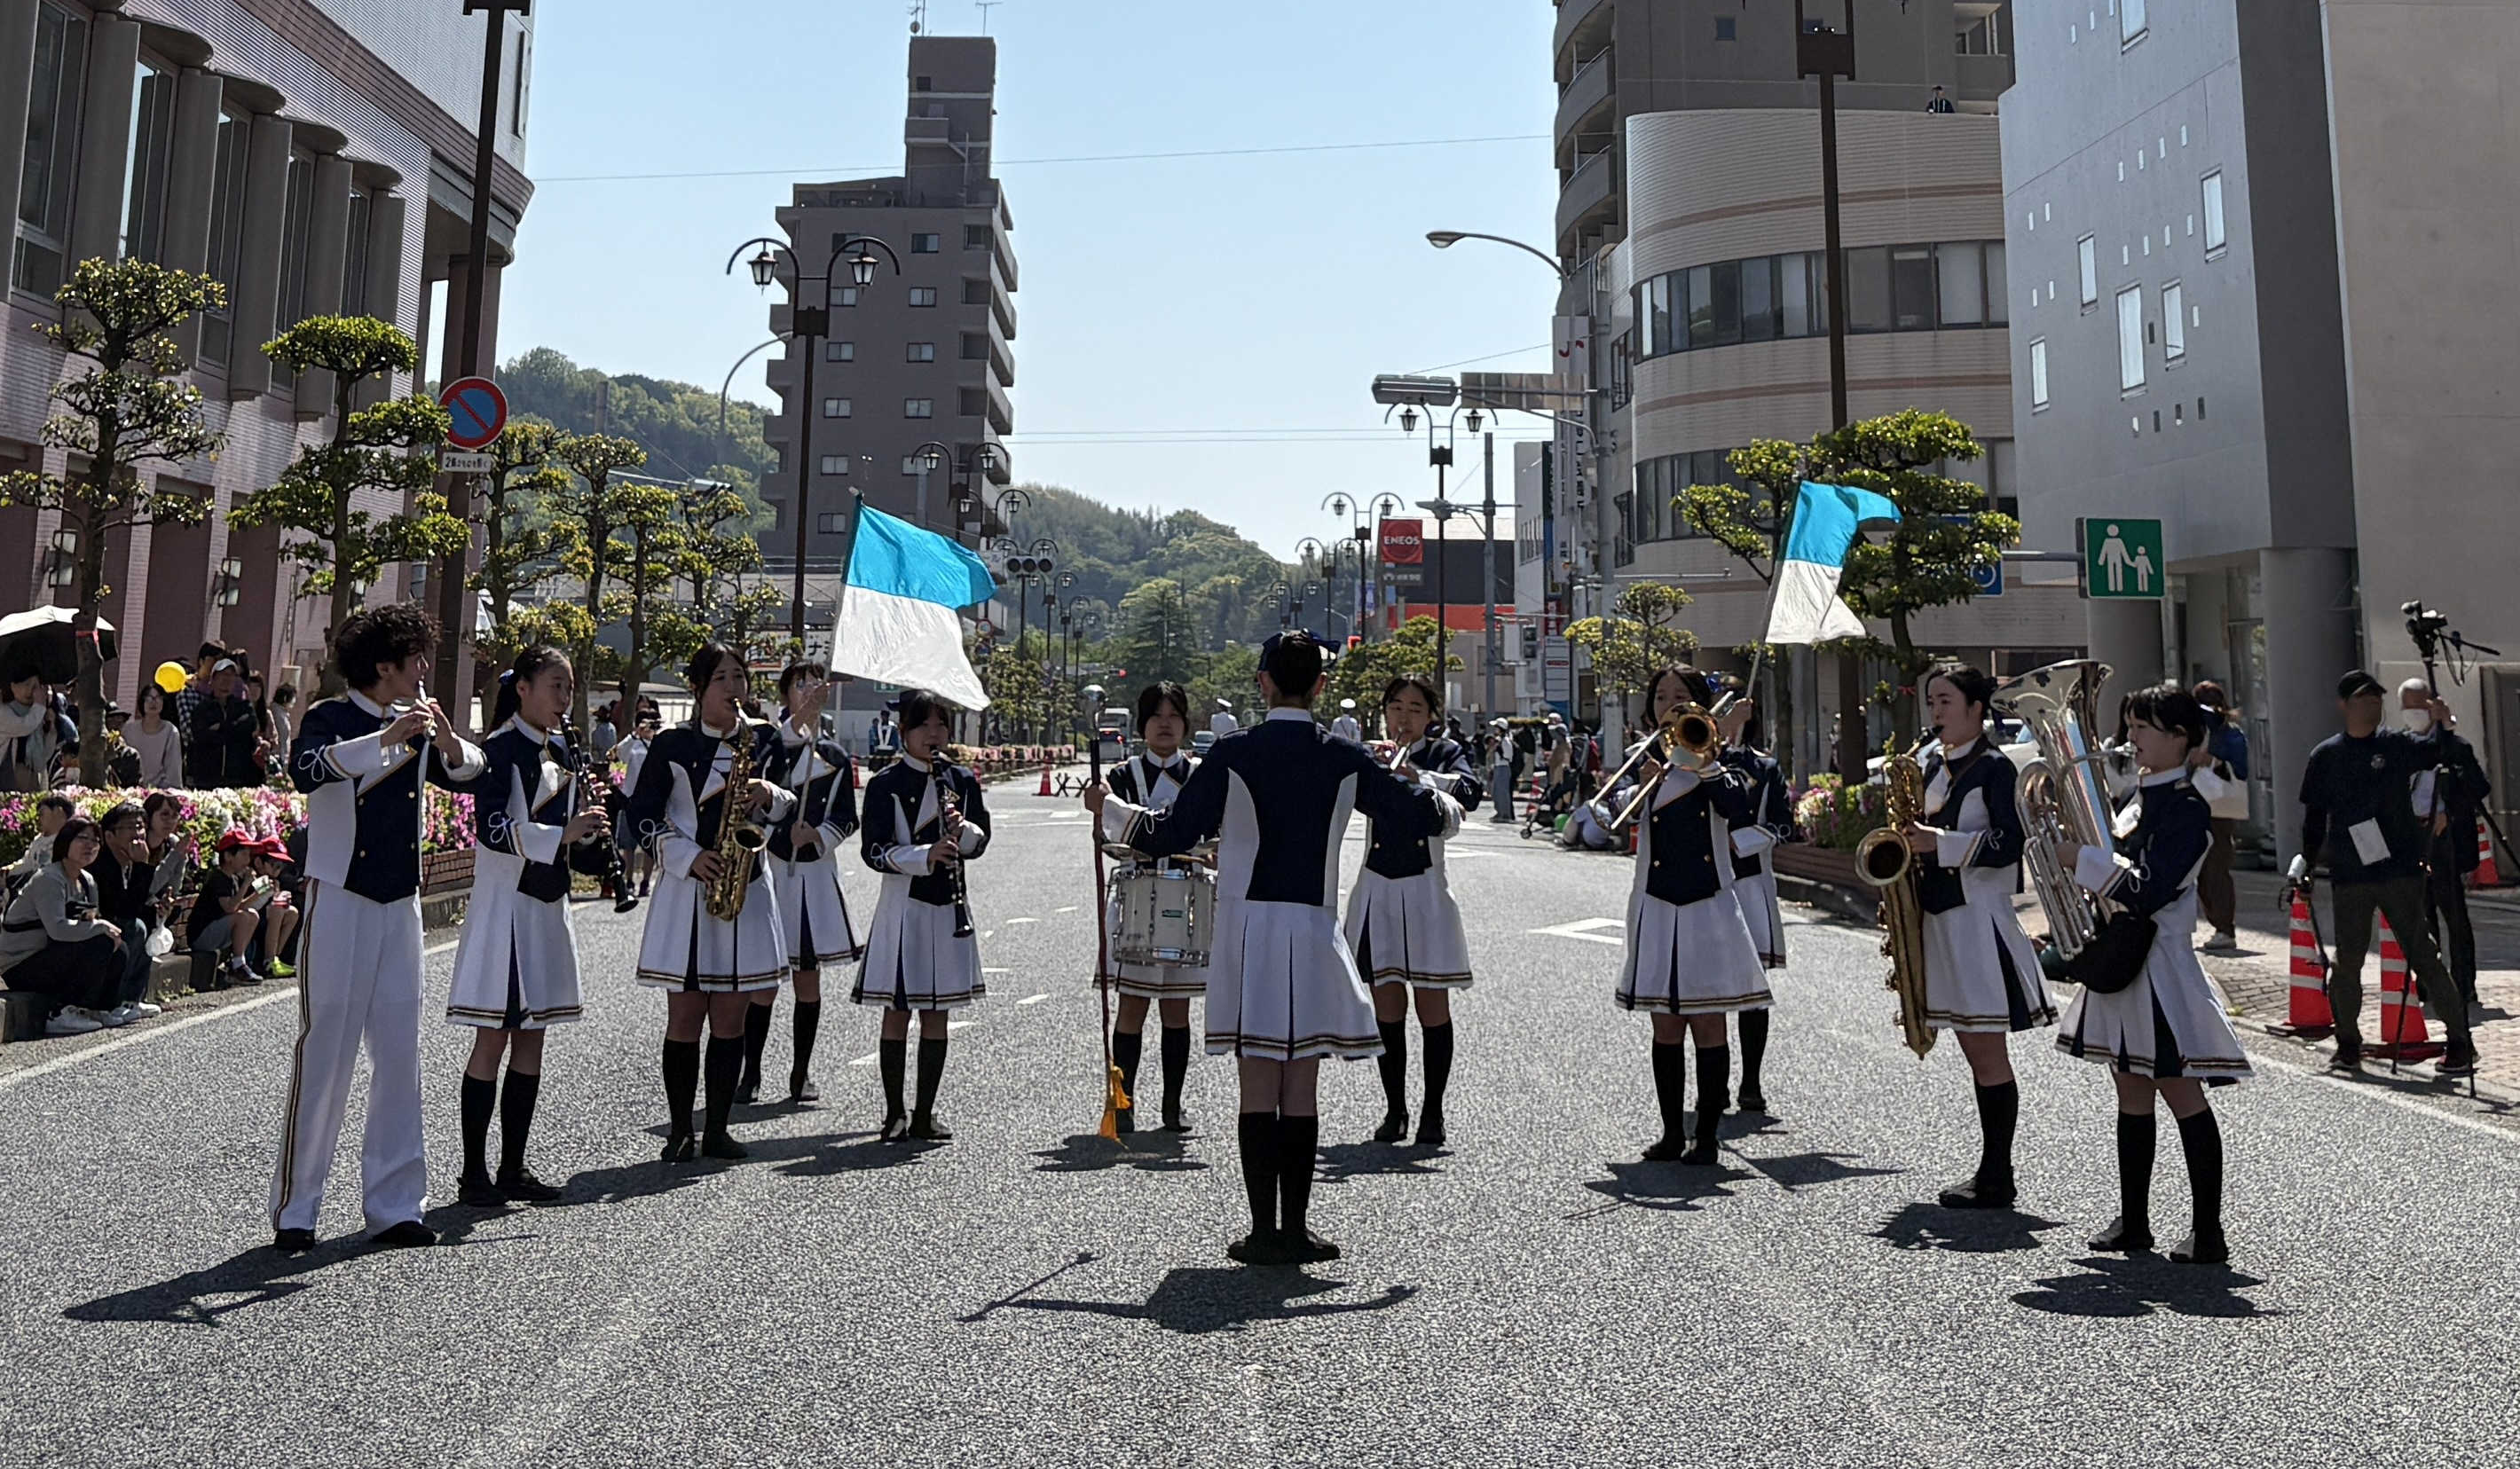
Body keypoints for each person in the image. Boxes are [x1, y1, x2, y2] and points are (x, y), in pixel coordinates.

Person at [1089, 631, 1447, 1266]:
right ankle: (1298, 1229)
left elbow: (1171, 833)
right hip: (1313, 927)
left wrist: (1112, 809)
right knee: (1300, 1081)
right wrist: (1440, 795)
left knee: (1257, 1078)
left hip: (1247, 928)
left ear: (1261, 684)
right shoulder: (1345, 755)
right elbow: (1418, 813)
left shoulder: (1232, 752)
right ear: (1320, 685)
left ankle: (1262, 1230)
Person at [269, 603, 485, 1253]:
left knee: (399, 1055)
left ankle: (395, 1206)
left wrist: (445, 740)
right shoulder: (332, 717)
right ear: (383, 666)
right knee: (326, 1051)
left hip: (400, 905)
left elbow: (471, 772)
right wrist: (388, 741)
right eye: (414, 659)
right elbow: (304, 770)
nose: (424, 669)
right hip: (339, 899)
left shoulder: (418, 725)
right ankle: (297, 1209)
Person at [2054, 682, 2250, 1264]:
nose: (2131, 738)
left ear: (2180, 738)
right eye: (2131, 726)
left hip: (2160, 967)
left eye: (2143, 728)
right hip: (2127, 963)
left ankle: (2207, 1230)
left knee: (2181, 1091)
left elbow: (2148, 889)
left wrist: (2085, 861)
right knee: (2131, 1087)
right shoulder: (2138, 800)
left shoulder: (2190, 809)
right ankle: (2134, 1221)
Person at [626, 642, 795, 1162]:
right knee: (684, 1014)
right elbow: (642, 814)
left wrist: (771, 795)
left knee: (731, 1017)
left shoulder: (763, 741)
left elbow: (789, 804)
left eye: (739, 677)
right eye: (720, 678)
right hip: (688, 888)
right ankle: (680, 1129)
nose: (733, 688)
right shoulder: (672, 745)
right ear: (698, 689)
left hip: (746, 885)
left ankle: (718, 1127)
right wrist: (686, 856)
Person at [444, 649, 601, 1206]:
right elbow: (492, 829)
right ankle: (472, 1173)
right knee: (494, 1036)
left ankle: (514, 1167)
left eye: (570, 688)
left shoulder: (562, 750)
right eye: (556, 687)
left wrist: (588, 840)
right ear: (524, 689)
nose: (564, 700)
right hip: (507, 908)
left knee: (533, 1037)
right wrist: (561, 834)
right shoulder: (498, 751)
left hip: (546, 905)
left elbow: (570, 839)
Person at [1899, 665, 2056, 1209]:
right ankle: (1991, 1170)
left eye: (1945, 701)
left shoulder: (1996, 769)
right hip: (1940, 920)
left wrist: (1938, 843)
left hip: (1978, 922)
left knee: (1987, 1052)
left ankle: (1997, 1174)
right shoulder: (1931, 767)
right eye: (1931, 702)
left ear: (1975, 708)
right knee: (1973, 1049)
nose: (1936, 712)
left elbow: (2010, 845)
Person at [1616, 667, 1765, 1166]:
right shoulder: (1645, 762)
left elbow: (1739, 809)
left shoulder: (1719, 764)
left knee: (1708, 1023)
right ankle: (1670, 1132)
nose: (1668, 704)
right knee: (1665, 1024)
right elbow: (1619, 814)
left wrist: (1702, 764)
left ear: (1701, 706)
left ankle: (1705, 1134)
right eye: (1661, 696)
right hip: (1657, 903)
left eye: (1680, 696)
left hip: (1707, 903)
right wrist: (1641, 785)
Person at [2296, 671, 2476, 1075]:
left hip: (2399, 869)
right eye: (2363, 699)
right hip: (2350, 872)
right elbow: (2314, 817)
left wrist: (2444, 725)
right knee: (2348, 961)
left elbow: (2440, 754)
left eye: (2377, 699)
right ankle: (2347, 1043)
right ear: (2344, 704)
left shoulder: (2395, 745)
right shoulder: (2326, 756)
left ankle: (2460, 1040)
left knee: (2424, 957)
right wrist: (2306, 863)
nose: (2372, 705)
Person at [853, 688, 989, 1141]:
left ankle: (925, 1112)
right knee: (897, 1009)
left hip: (948, 906)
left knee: (937, 1012)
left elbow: (982, 839)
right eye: (923, 726)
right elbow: (873, 851)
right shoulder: (885, 783)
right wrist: (923, 854)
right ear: (905, 732)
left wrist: (962, 831)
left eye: (940, 726)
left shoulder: (961, 779)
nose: (934, 735)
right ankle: (894, 1112)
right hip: (903, 906)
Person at [1349, 672, 1477, 1145]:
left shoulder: (1444, 755)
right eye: (1396, 707)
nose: (1404, 717)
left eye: (1416, 709)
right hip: (1378, 886)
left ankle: (1433, 1112)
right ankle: (1394, 1109)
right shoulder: (1370, 755)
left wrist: (1417, 776)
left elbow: (1470, 796)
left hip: (1425, 889)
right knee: (1387, 1004)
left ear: (1432, 717)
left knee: (1431, 1003)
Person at [742, 662, 864, 1107]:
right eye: (800, 684)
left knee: (807, 980)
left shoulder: (834, 755)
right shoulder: (767, 746)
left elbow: (849, 816)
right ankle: (749, 1073)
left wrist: (818, 835)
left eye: (816, 683)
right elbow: (749, 803)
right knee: (764, 982)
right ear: (785, 694)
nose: (811, 690)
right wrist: (777, 834)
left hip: (814, 873)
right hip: (770, 872)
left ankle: (801, 1072)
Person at [1099, 681, 1203, 1133]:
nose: (1165, 724)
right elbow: (1106, 838)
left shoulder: (1201, 773)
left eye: (1174, 716)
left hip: (1184, 897)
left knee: (1176, 1009)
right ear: (1142, 725)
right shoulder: (1122, 775)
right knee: (1133, 1007)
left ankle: (1172, 1104)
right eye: (1157, 716)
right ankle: (1122, 1102)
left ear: (1186, 724)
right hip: (1136, 898)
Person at [1718, 702, 1794, 1116]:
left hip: (1749, 882)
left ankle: (1750, 1080)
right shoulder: (1695, 761)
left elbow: (1784, 824)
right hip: (1703, 884)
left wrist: (1743, 841)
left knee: (1753, 991)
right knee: (1707, 990)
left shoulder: (1765, 768)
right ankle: (1715, 1084)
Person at [2401, 678, 2491, 1018]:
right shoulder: (2402, 746)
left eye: (2420, 705)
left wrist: (2448, 815)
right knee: (2420, 917)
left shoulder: (2454, 746)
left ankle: (2464, 985)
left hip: (2445, 838)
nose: (2414, 713)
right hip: (2413, 838)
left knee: (2454, 914)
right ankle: (2428, 985)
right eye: (2408, 706)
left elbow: (2477, 786)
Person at [0, 816, 126, 1035]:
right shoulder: (49, 879)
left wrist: (102, 928)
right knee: (100, 942)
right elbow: (57, 929)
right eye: (82, 838)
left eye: (95, 841)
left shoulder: (87, 880)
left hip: (52, 954)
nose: (89, 845)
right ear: (65, 842)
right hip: (21, 964)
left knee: (118, 946)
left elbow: (88, 920)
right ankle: (59, 1013)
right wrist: (100, 927)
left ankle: (100, 1009)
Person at [91, 802, 166, 1024]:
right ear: (110, 836)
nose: (138, 834)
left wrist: (158, 908)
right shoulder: (102, 864)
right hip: (95, 928)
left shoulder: (128, 863)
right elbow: (123, 909)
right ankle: (115, 1000)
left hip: (113, 923)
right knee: (135, 927)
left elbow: (136, 904)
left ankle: (132, 999)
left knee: (145, 923)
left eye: (141, 827)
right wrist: (143, 865)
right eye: (130, 828)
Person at [2189, 681, 2248, 950]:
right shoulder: (2214, 730)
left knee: (2213, 869)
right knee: (2207, 869)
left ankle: (2224, 926)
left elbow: (2240, 766)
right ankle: (2220, 925)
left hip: (2215, 808)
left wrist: (2211, 759)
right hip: (2209, 806)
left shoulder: (2225, 733)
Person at [190, 830, 290, 986]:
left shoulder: (234, 878)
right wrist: (246, 885)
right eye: (243, 854)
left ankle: (238, 962)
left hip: (218, 932)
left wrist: (260, 893)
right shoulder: (218, 877)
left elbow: (241, 907)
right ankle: (237, 965)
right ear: (228, 856)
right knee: (245, 916)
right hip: (202, 936)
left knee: (252, 915)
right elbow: (231, 908)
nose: (247, 860)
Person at [185, 658, 262, 789]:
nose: (226, 681)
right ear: (212, 680)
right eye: (222, 676)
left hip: (238, 779)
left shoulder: (244, 707)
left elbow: (249, 732)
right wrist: (234, 727)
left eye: (231, 677)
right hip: (206, 780)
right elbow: (202, 737)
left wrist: (220, 728)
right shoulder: (202, 709)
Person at [2, 662, 70, 791]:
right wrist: (40, 705)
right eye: (26, 684)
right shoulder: (5, 712)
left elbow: (43, 758)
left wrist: (51, 729)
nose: (30, 691)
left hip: (32, 779)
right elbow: (25, 726)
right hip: (6, 778)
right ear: (13, 686)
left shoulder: (38, 715)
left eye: (35, 686)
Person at [616, 712, 659, 899]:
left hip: (652, 802)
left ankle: (645, 882)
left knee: (650, 845)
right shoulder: (631, 745)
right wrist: (635, 734)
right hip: (630, 799)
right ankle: (629, 881)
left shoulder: (659, 745)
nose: (650, 728)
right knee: (629, 845)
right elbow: (617, 756)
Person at [7, 793, 74, 896]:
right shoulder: (38, 841)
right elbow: (27, 863)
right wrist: (7, 870)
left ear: (57, 811)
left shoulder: (72, 840)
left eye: (42, 814)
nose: (38, 819)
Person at [122, 684, 184, 789]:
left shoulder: (170, 731)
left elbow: (173, 770)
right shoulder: (128, 729)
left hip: (160, 791)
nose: (153, 702)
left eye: (158, 698)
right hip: (130, 788)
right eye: (149, 697)